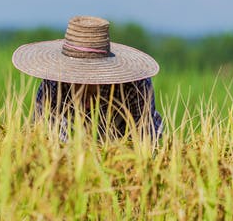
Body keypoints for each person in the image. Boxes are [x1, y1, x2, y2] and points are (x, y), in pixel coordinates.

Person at [12, 16, 163, 141]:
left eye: (89, 81)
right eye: (76, 80)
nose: (81, 88)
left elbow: (143, 144)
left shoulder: (136, 86)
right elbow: (44, 140)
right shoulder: (53, 85)